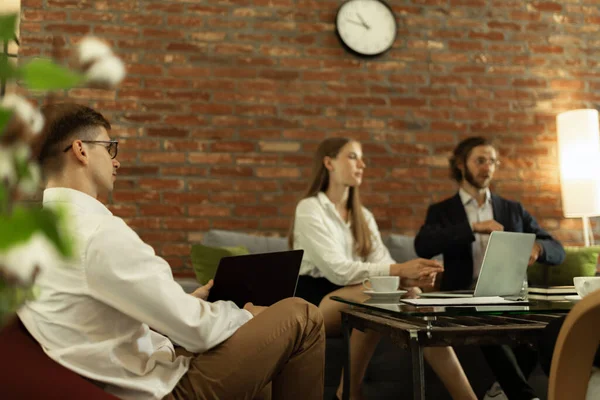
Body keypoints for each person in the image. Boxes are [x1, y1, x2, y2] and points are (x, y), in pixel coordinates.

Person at [19, 102, 326, 400]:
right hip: (154, 390)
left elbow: (92, 313)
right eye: (109, 147)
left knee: (258, 358)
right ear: (81, 150)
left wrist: (181, 304)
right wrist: (247, 315)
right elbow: (197, 332)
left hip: (109, 377)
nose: (117, 161)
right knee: (303, 316)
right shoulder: (98, 232)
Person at [289, 137, 477, 400]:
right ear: (328, 162)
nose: (362, 164)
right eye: (353, 157)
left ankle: (467, 398)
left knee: (416, 304)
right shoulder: (310, 208)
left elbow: (384, 262)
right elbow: (338, 271)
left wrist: (412, 283)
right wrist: (400, 271)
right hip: (318, 301)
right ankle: (349, 394)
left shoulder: (363, 216)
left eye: (362, 158)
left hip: (360, 294)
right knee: (376, 297)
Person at [415, 136, 566, 400]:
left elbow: (557, 248)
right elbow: (423, 245)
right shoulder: (442, 211)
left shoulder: (512, 210)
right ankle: (523, 395)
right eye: (480, 161)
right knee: (487, 318)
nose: (488, 167)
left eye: (493, 161)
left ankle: (498, 391)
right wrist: (473, 228)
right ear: (461, 165)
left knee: (546, 325)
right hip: (462, 297)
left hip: (510, 295)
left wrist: (537, 249)